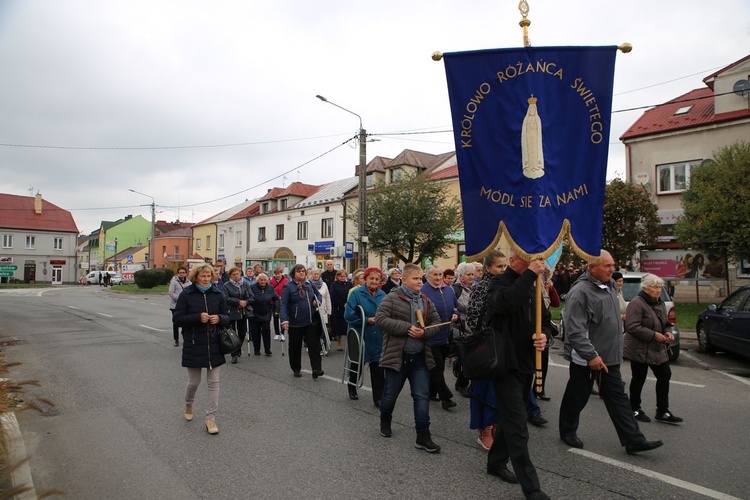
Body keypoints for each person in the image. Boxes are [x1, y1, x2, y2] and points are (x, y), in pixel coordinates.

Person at [559, 250, 664, 455]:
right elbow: (576, 330)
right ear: (592, 267)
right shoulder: (580, 292)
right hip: (588, 357)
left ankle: (633, 439)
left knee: (617, 398)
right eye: (607, 266)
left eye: (612, 265)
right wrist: (591, 355)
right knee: (577, 395)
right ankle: (567, 430)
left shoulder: (607, 286)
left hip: (609, 356)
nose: (612, 269)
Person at [483, 251, 550, 500]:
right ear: (513, 261)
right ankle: (532, 488)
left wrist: (544, 337)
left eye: (539, 260)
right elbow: (508, 302)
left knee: (511, 417)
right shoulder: (498, 283)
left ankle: (496, 461)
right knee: (518, 424)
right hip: (504, 365)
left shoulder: (534, 284)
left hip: (525, 364)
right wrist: (531, 273)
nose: (538, 263)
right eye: (531, 259)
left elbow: (544, 323)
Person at [375, 263, 442, 453]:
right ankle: (385, 419)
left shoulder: (425, 300)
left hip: (419, 357)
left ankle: (423, 435)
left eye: (421, 279)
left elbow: (436, 323)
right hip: (398, 356)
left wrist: (424, 334)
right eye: (415, 278)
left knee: (421, 396)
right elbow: (380, 319)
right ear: (404, 280)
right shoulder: (392, 297)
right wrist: (406, 328)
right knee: (389, 395)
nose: (419, 282)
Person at [172, 263, 229, 435]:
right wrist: (197, 318)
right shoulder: (186, 294)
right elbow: (177, 319)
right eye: (202, 276)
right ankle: (189, 404)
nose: (206, 279)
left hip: (214, 344)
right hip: (194, 343)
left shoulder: (218, 294)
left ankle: (210, 418)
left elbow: (227, 317)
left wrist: (219, 318)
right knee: (194, 382)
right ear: (195, 277)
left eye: (208, 276)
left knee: (213, 383)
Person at [624, 273, 682, 424]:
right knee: (639, 378)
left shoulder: (660, 303)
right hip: (639, 348)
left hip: (657, 348)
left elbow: (667, 323)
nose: (658, 290)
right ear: (645, 288)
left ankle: (662, 411)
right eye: (654, 287)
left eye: (659, 287)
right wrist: (653, 335)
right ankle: (634, 408)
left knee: (664, 375)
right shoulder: (637, 303)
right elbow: (631, 326)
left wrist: (668, 332)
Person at [466, 251, 506, 451]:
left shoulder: (507, 286)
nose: (503, 270)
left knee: (499, 390)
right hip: (486, 347)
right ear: (488, 268)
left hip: (503, 345)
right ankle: (484, 429)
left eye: (505, 266)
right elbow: (473, 317)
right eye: (499, 266)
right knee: (484, 390)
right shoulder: (482, 287)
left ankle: (497, 423)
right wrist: (486, 339)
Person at [344, 267, 386, 405]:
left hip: (377, 335)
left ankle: (378, 397)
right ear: (366, 279)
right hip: (360, 333)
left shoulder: (383, 295)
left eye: (376, 279)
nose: (374, 281)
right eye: (371, 278)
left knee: (378, 367)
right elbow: (349, 315)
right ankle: (352, 386)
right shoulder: (356, 294)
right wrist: (366, 320)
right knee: (357, 363)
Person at [421, 265, 459, 410]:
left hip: (446, 334)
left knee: (439, 367)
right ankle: (446, 398)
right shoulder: (423, 291)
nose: (437, 278)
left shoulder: (448, 289)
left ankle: (431, 392)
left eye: (439, 274)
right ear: (428, 276)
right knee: (437, 367)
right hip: (431, 336)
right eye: (434, 275)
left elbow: (455, 306)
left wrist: (455, 313)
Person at [280, 264, 324, 378]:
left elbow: (318, 296)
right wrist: (284, 320)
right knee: (295, 347)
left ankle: (316, 369)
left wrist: (317, 301)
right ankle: (296, 368)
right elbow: (283, 305)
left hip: (311, 321)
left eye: (303, 271)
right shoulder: (288, 287)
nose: (301, 273)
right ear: (293, 274)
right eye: (299, 271)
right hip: (295, 322)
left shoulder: (310, 284)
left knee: (314, 346)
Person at [451, 262, 475, 398]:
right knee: (464, 357)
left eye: (473, 274)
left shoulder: (476, 287)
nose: (472, 277)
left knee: (471, 357)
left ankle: (464, 381)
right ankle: (462, 384)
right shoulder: (455, 289)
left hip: (474, 327)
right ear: (461, 276)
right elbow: (453, 306)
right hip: (460, 327)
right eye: (468, 274)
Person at [222, 266, 254, 362]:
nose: (236, 276)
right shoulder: (226, 285)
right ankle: (234, 354)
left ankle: (238, 347)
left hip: (242, 312)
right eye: (234, 274)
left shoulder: (245, 284)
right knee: (232, 332)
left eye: (238, 274)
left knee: (242, 332)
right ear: (230, 276)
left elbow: (251, 297)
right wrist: (237, 302)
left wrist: (245, 302)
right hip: (231, 311)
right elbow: (225, 298)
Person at [249, 273, 278, 356]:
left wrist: (276, 309)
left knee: (266, 331)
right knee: (255, 332)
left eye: (264, 280)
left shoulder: (271, 288)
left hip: (266, 312)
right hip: (254, 313)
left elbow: (276, 299)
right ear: (258, 280)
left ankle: (267, 349)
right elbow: (248, 298)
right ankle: (256, 349)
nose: (263, 281)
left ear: (267, 280)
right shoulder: (252, 287)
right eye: (261, 280)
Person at [168, 266, 191, 346]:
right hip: (175, 305)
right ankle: (176, 339)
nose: (182, 274)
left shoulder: (189, 282)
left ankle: (185, 337)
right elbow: (171, 292)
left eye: (183, 272)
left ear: (186, 273)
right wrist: (179, 299)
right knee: (176, 322)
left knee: (185, 322)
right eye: (180, 272)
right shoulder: (174, 281)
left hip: (186, 305)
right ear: (178, 273)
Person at [330, 269, 352, 351]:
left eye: (344, 276)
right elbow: (333, 296)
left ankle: (349, 344)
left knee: (348, 327)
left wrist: (349, 303)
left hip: (348, 307)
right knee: (339, 327)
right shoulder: (334, 284)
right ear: (337, 276)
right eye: (341, 276)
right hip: (338, 308)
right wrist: (342, 304)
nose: (342, 278)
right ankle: (339, 343)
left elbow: (352, 294)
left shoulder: (349, 284)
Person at [310, 268, 332, 335]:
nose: (316, 275)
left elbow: (327, 298)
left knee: (323, 331)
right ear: (311, 275)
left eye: (317, 274)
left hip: (323, 310)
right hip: (312, 310)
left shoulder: (324, 284)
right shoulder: (308, 284)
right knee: (313, 330)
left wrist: (329, 311)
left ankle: (323, 344)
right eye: (314, 274)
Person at [270, 268, 288, 341]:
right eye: (276, 274)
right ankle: (277, 333)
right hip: (274, 302)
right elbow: (270, 291)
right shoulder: (271, 281)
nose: (277, 275)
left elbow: (287, 290)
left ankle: (282, 333)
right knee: (275, 318)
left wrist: (283, 297)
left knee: (282, 318)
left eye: (279, 273)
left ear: (281, 273)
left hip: (283, 301)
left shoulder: (285, 281)